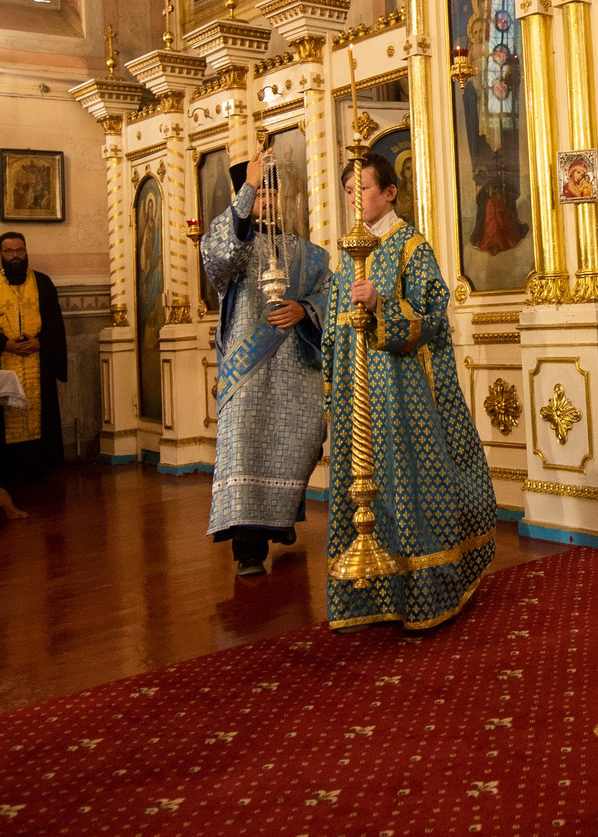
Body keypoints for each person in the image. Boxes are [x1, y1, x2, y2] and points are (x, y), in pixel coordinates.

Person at [321, 153, 498, 631]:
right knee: (362, 490)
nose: (355, 201)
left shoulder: (410, 247)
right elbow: (334, 331)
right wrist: (332, 386)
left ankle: (421, 593)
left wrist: (381, 305)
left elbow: (433, 317)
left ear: (390, 192)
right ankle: (367, 594)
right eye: (349, 194)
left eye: (364, 190)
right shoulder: (348, 255)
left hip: (403, 397)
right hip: (358, 400)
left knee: (409, 490)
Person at [203, 145, 331, 576]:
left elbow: (328, 292)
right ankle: (248, 550)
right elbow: (222, 256)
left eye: (273, 193)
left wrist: (305, 310)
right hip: (247, 372)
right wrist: (250, 182)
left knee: (297, 444)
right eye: (260, 195)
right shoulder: (228, 244)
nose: (268, 202)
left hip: (294, 368)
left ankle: (278, 522)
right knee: (244, 449)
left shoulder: (308, 254)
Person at [0, 232, 67, 480]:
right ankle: (5, 469)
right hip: (3, 360)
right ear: (0, 254)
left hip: (39, 360)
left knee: (40, 414)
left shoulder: (44, 283)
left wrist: (41, 342)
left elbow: (55, 323)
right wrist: (4, 344)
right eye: (9, 251)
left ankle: (42, 465)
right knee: (3, 418)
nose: (15, 256)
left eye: (19, 250)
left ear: (26, 251)